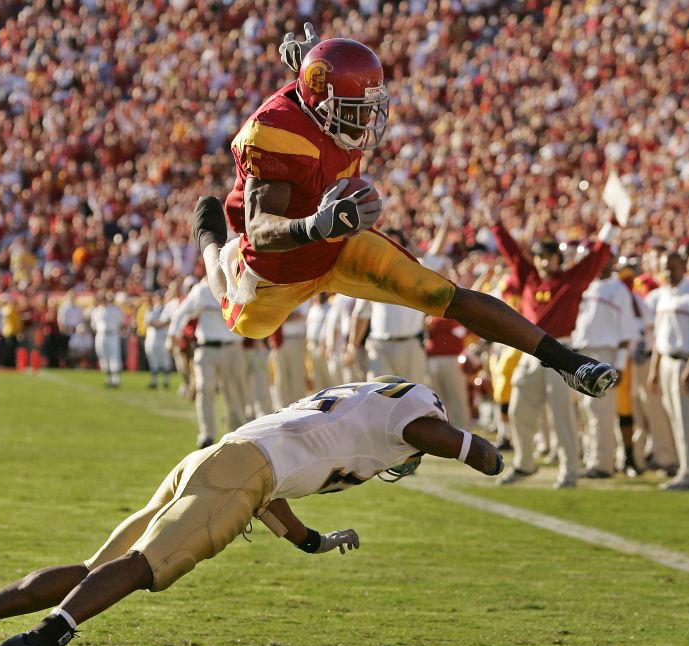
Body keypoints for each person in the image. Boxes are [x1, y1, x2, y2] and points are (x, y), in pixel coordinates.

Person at [0, 377, 504, 646]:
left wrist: (310, 542)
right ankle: (40, 644)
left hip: (216, 460)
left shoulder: (343, 406)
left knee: (97, 569)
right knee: (146, 566)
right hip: (241, 471)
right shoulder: (409, 413)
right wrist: (482, 452)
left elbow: (275, 486)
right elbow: (431, 431)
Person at [195, 32, 617, 400]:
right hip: (275, 268)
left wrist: (310, 64)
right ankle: (210, 244)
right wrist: (317, 225)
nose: (364, 119)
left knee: (440, 294)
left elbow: (313, 86)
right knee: (244, 321)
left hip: (337, 244)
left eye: (368, 106)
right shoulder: (273, 131)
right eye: (353, 107)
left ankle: (568, 362)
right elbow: (261, 228)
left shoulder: (321, 103)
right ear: (319, 98)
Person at [490, 209, 616, 489]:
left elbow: (596, 256)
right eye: (540, 257)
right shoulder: (530, 279)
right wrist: (496, 225)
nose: (544, 261)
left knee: (562, 416)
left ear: (559, 259)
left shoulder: (570, 280)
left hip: (561, 352)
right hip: (530, 353)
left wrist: (613, 224)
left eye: (549, 256)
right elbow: (513, 255)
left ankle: (569, 470)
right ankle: (524, 463)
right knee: (519, 410)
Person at [646, 249, 689, 491]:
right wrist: (654, 370)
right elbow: (659, 337)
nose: (667, 272)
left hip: (685, 362)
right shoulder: (663, 294)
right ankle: (684, 469)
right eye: (664, 268)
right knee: (675, 419)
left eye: (672, 268)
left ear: (683, 268)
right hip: (666, 362)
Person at [571, 253, 638, 478]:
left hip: (604, 354)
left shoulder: (619, 290)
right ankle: (592, 459)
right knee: (586, 411)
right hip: (582, 352)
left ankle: (603, 463)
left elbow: (627, 332)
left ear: (612, 262)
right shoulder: (586, 286)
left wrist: (618, 364)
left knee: (601, 411)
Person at [171, 278, 248, 448]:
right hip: (206, 347)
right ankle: (206, 434)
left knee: (234, 392)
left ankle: (237, 433)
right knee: (204, 389)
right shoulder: (202, 290)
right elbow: (181, 312)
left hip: (232, 348)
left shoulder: (238, 285)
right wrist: (173, 335)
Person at [90, 291, 126, 388]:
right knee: (103, 357)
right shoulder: (96, 311)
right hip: (101, 335)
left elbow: (121, 322)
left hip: (112, 334)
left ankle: (116, 380)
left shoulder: (115, 310)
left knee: (114, 357)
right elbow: (94, 325)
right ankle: (108, 379)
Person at [143, 289, 174, 390]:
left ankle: (166, 381)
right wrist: (161, 323)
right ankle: (154, 381)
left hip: (163, 338)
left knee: (165, 360)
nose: (159, 299)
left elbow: (169, 321)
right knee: (153, 360)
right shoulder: (151, 309)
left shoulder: (167, 309)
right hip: (152, 338)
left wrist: (159, 323)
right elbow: (150, 322)